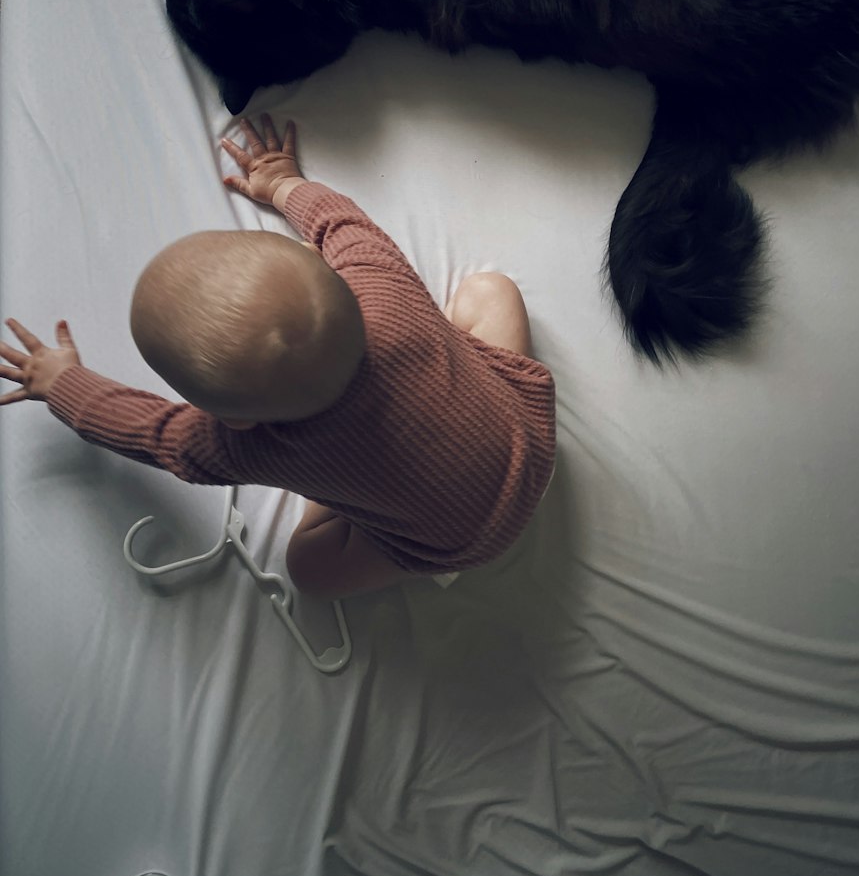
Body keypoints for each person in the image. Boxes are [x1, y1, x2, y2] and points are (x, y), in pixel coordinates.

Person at [0, 115, 556, 598]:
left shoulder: (250, 448)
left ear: (235, 418)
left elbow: (155, 433)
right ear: (331, 272)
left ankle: (345, 496)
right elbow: (341, 223)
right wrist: (284, 183)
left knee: (308, 568)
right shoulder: (380, 281)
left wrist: (64, 385)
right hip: (528, 446)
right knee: (489, 290)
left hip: (459, 543)